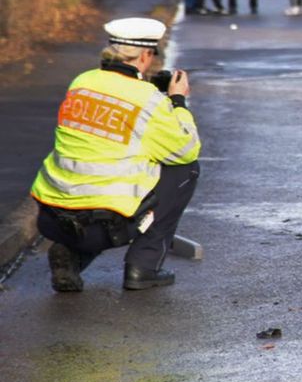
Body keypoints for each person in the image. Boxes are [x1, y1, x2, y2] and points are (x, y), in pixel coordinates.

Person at [30, 17, 201, 291]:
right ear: (145, 55)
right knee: (185, 169)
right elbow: (185, 148)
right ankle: (143, 267)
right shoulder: (148, 99)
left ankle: (72, 255)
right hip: (104, 225)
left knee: (104, 181)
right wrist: (178, 100)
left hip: (52, 217)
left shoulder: (81, 82)